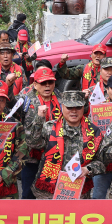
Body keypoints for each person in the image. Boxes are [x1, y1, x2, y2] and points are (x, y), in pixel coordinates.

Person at [26, 90, 104, 199]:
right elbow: (32, 143)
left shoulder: (93, 132)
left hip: (78, 192)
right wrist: (39, 119)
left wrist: (88, 169)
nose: (74, 111)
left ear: (84, 108)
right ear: (62, 107)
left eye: (78, 107)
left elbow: (102, 161)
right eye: (69, 108)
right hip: (49, 192)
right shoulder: (50, 127)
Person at [21, 67, 63, 199]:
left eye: (50, 82)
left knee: (53, 193)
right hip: (31, 156)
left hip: (55, 156)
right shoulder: (26, 100)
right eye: (43, 83)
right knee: (28, 193)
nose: (47, 86)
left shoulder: (61, 98)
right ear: (35, 84)